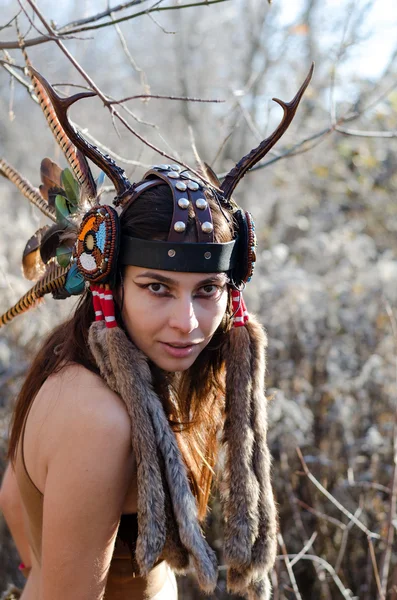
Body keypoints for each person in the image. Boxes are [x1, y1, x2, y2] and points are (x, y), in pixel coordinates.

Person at [0, 66, 313, 600]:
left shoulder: (77, 365)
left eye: (208, 289)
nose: (188, 323)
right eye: (157, 287)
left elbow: (14, 495)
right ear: (110, 281)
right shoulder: (98, 420)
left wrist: (46, 567)